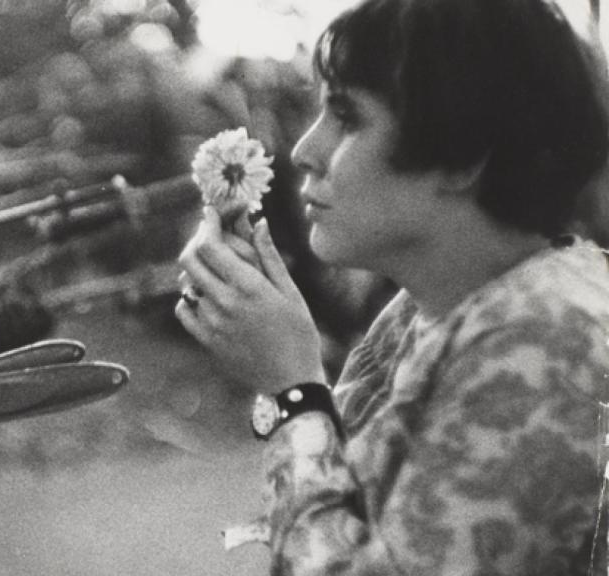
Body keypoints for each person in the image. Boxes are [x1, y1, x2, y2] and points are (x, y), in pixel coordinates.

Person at [176, 0, 609, 573]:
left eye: (348, 118)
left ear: (463, 154)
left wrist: (293, 391)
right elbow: (351, 499)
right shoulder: (437, 304)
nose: (306, 152)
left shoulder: (546, 340)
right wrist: (282, 371)